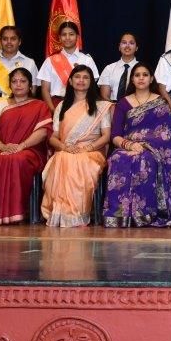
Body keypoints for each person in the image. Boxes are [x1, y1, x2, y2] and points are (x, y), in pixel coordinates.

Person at [0, 68, 52, 225]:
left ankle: (15, 212)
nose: (18, 84)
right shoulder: (0, 105)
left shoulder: (40, 106)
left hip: (29, 150)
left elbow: (43, 132)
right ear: (10, 85)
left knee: (16, 160)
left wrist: (22, 145)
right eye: (14, 81)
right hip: (0, 148)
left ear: (30, 85)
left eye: (23, 81)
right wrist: (2, 146)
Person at [104, 63, 171, 228]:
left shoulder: (160, 102)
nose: (141, 78)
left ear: (151, 79)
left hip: (154, 151)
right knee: (117, 158)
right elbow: (115, 135)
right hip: (127, 147)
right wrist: (129, 145)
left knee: (143, 160)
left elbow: (166, 135)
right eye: (137, 75)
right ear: (132, 79)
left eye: (145, 75)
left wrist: (144, 146)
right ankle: (119, 216)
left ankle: (145, 214)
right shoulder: (123, 103)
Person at [40, 65, 111, 227]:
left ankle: (76, 214)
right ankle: (60, 212)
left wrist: (87, 148)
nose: (81, 80)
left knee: (75, 161)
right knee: (63, 158)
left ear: (91, 82)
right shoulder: (61, 106)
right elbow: (53, 137)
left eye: (86, 77)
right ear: (70, 81)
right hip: (66, 149)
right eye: (77, 77)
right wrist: (65, 147)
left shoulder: (100, 106)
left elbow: (106, 136)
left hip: (92, 152)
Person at [36, 21, 97, 107]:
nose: (67, 37)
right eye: (64, 35)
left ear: (77, 37)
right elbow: (45, 89)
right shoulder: (50, 60)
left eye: (71, 34)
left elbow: (92, 87)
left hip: (82, 104)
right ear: (59, 38)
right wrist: (52, 110)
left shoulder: (87, 59)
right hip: (57, 104)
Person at [98, 33, 141, 102]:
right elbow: (104, 96)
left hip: (137, 106)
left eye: (131, 43)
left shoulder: (143, 68)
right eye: (124, 43)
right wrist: (116, 107)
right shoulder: (109, 69)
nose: (127, 46)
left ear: (136, 48)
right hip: (113, 106)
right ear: (119, 47)